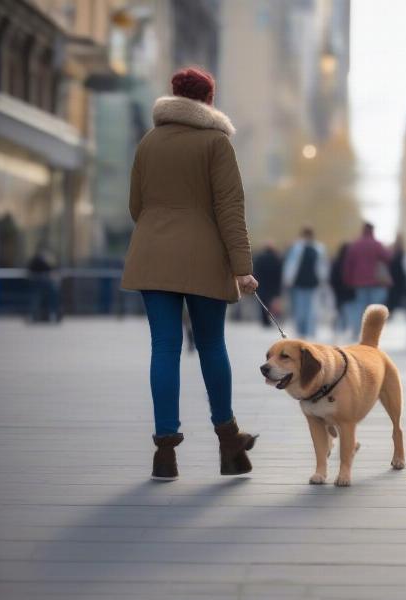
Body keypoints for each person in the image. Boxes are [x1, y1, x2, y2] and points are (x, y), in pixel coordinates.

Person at [121, 67, 259, 481]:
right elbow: (230, 209)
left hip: (152, 254)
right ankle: (228, 441)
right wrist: (243, 269)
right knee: (212, 345)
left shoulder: (149, 142)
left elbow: (135, 205)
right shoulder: (216, 143)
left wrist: (158, 230)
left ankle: (165, 452)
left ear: (174, 96)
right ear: (208, 100)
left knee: (164, 348)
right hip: (203, 257)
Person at [343, 222, 391, 338]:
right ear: (372, 231)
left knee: (360, 306)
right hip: (375, 282)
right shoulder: (377, 244)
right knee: (373, 309)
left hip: (359, 281)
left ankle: (356, 330)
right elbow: (388, 257)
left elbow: (348, 264)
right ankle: (372, 333)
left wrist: (348, 280)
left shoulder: (356, 245)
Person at [283, 227, 328, 338]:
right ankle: (308, 331)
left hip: (300, 282)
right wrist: (323, 280)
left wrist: (287, 279)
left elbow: (290, 265)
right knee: (310, 308)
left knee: (301, 308)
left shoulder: (297, 247)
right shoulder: (318, 248)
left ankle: (302, 331)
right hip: (312, 282)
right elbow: (322, 266)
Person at [27, 244, 61, 323]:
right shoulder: (36, 260)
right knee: (37, 299)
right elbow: (31, 270)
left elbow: (55, 269)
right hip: (39, 282)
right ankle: (35, 316)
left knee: (49, 299)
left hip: (46, 283)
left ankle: (50, 315)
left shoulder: (49, 260)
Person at [253, 242, 283, 328]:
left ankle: (265, 321)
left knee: (262, 303)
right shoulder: (277, 259)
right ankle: (272, 318)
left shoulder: (259, 258)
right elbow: (279, 274)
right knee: (272, 303)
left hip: (261, 285)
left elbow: (256, 271)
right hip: (273, 285)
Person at [330, 243, 355, 334]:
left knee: (340, 311)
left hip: (339, 291)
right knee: (349, 311)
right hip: (349, 291)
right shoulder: (352, 263)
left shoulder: (337, 262)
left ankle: (340, 329)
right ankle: (347, 328)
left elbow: (332, 278)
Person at [387, 233, 406, 314]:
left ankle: (390, 313)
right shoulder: (402, 252)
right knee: (395, 299)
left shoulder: (391, 252)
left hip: (391, 279)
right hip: (399, 279)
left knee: (391, 299)